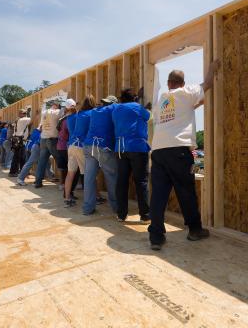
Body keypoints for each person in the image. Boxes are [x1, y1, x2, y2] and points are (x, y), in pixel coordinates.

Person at [148, 65, 215, 250]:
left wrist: (197, 103)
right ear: (182, 83)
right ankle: (195, 230)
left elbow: (186, 108)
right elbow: (207, 83)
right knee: (186, 192)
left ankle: (156, 237)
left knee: (158, 195)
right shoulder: (187, 91)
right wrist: (214, 67)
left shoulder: (162, 99)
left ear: (169, 84)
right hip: (179, 150)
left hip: (159, 151)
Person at [113, 88, 151, 222]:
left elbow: (128, 115)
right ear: (134, 98)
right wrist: (142, 105)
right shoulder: (138, 107)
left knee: (122, 182)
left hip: (120, 149)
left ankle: (121, 214)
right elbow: (148, 116)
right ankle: (145, 215)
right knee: (141, 181)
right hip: (137, 147)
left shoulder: (116, 109)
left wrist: (137, 101)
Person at [82, 95, 119, 216]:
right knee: (111, 177)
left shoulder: (95, 111)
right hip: (102, 146)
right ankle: (117, 208)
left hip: (88, 145)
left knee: (89, 178)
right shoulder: (113, 109)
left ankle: (88, 208)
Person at [64, 96, 95, 207]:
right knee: (86, 174)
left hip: (71, 145)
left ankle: (67, 198)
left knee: (70, 173)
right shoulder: (87, 114)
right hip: (80, 146)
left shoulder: (71, 117)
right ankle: (90, 200)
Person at [34, 101, 61, 188]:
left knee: (42, 161)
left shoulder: (44, 112)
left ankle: (38, 182)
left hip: (43, 139)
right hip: (52, 139)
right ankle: (63, 184)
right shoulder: (57, 112)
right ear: (56, 106)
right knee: (60, 161)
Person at [57, 99, 76, 191]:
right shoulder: (69, 119)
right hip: (66, 146)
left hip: (59, 146)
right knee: (71, 168)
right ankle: (71, 188)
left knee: (62, 166)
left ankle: (61, 184)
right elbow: (68, 133)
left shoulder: (61, 119)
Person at [9, 109, 31, 177]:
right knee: (20, 157)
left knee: (20, 157)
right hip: (20, 141)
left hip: (16, 140)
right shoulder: (23, 120)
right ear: (20, 114)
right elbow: (32, 120)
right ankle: (15, 172)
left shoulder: (17, 120)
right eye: (24, 113)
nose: (25, 114)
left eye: (26, 113)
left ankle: (18, 171)